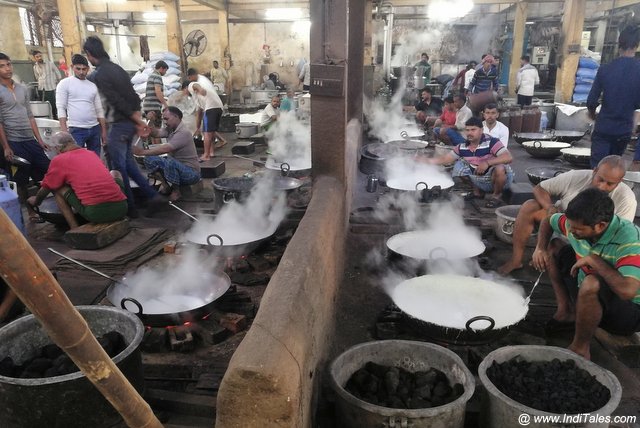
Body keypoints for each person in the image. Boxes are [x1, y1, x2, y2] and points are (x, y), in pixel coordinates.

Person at [532, 188, 640, 360]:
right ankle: (566, 311)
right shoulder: (576, 223)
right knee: (554, 247)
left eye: (577, 229)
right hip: (584, 286)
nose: (571, 231)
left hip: (628, 312)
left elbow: (627, 291)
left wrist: (595, 261)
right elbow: (548, 221)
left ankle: (580, 347)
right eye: (570, 226)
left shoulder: (628, 239)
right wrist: (540, 248)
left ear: (600, 226)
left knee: (592, 282)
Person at [498, 155, 636, 276]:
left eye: (610, 184)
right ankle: (516, 260)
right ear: (594, 171)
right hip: (562, 224)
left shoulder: (626, 200)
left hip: (592, 241)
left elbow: (617, 236)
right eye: (600, 179)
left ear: (620, 181)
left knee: (556, 250)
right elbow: (540, 188)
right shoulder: (577, 177)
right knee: (530, 206)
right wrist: (550, 208)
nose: (602, 186)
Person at [83, 36, 163, 218]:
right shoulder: (117, 69)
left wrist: (137, 120)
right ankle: (153, 196)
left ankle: (129, 208)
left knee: (118, 168)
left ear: (89, 54)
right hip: (127, 124)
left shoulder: (100, 74)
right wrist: (137, 119)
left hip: (118, 124)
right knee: (128, 164)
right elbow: (133, 96)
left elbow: (116, 101)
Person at [27, 132, 127, 229]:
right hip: (122, 209)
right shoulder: (90, 153)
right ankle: (127, 208)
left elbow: (47, 187)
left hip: (97, 214)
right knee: (114, 173)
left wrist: (36, 201)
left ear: (58, 148)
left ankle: (74, 228)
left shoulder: (59, 160)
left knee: (57, 189)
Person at [0, 52, 51, 223]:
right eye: (2, 66)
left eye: (8, 64)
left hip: (30, 139)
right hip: (14, 141)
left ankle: (41, 205)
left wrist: (40, 140)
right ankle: (31, 213)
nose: (7, 68)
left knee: (47, 171)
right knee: (21, 180)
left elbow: (30, 116)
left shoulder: (22, 89)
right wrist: (6, 146)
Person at [425, 117, 513, 207]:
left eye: (473, 130)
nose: (469, 133)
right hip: (480, 177)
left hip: (500, 179)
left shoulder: (492, 142)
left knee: (500, 168)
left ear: (481, 130)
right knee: (458, 167)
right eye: (467, 130)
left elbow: (508, 157)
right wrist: (425, 161)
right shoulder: (463, 147)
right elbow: (445, 159)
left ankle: (496, 196)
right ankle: (478, 192)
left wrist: (487, 163)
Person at [587, 25, 640, 168]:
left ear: (619, 44)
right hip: (624, 129)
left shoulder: (606, 68)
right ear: (636, 46)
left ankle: (594, 190)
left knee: (597, 169)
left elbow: (591, 101)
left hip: (604, 127)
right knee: (612, 170)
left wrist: (593, 115)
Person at [132, 106, 200, 202]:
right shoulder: (170, 129)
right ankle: (166, 186)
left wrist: (141, 152)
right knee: (149, 159)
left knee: (170, 161)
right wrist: (149, 121)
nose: (164, 121)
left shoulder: (184, 132)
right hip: (177, 168)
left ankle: (177, 191)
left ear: (176, 117)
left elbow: (166, 148)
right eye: (164, 119)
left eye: (166, 119)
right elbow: (155, 133)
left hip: (191, 173)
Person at [56, 54, 107, 157]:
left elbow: (99, 110)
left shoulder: (92, 86)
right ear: (72, 67)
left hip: (94, 128)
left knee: (94, 159)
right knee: (76, 160)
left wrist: (104, 131)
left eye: (84, 69)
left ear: (88, 68)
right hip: (76, 129)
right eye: (78, 68)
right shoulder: (64, 84)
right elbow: (61, 108)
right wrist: (64, 132)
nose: (81, 72)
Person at [186, 80, 226, 161]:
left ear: (185, 88)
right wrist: (197, 127)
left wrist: (201, 90)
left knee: (207, 133)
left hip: (210, 107)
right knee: (211, 131)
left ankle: (206, 155)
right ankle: (211, 152)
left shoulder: (191, 86)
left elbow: (195, 85)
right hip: (219, 107)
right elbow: (199, 113)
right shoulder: (197, 98)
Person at [32, 50, 61, 119]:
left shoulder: (50, 64)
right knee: (44, 104)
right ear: (34, 58)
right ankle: (47, 118)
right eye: (37, 57)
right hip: (41, 88)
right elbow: (37, 77)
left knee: (53, 104)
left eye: (40, 56)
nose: (39, 58)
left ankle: (55, 117)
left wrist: (57, 82)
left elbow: (58, 73)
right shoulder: (35, 67)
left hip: (50, 87)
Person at [142, 60, 169, 133]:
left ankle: (154, 144)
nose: (165, 73)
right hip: (154, 107)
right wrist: (165, 105)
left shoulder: (151, 76)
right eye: (165, 70)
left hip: (147, 107)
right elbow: (158, 92)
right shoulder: (157, 77)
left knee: (151, 130)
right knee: (157, 131)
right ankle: (157, 145)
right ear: (161, 68)